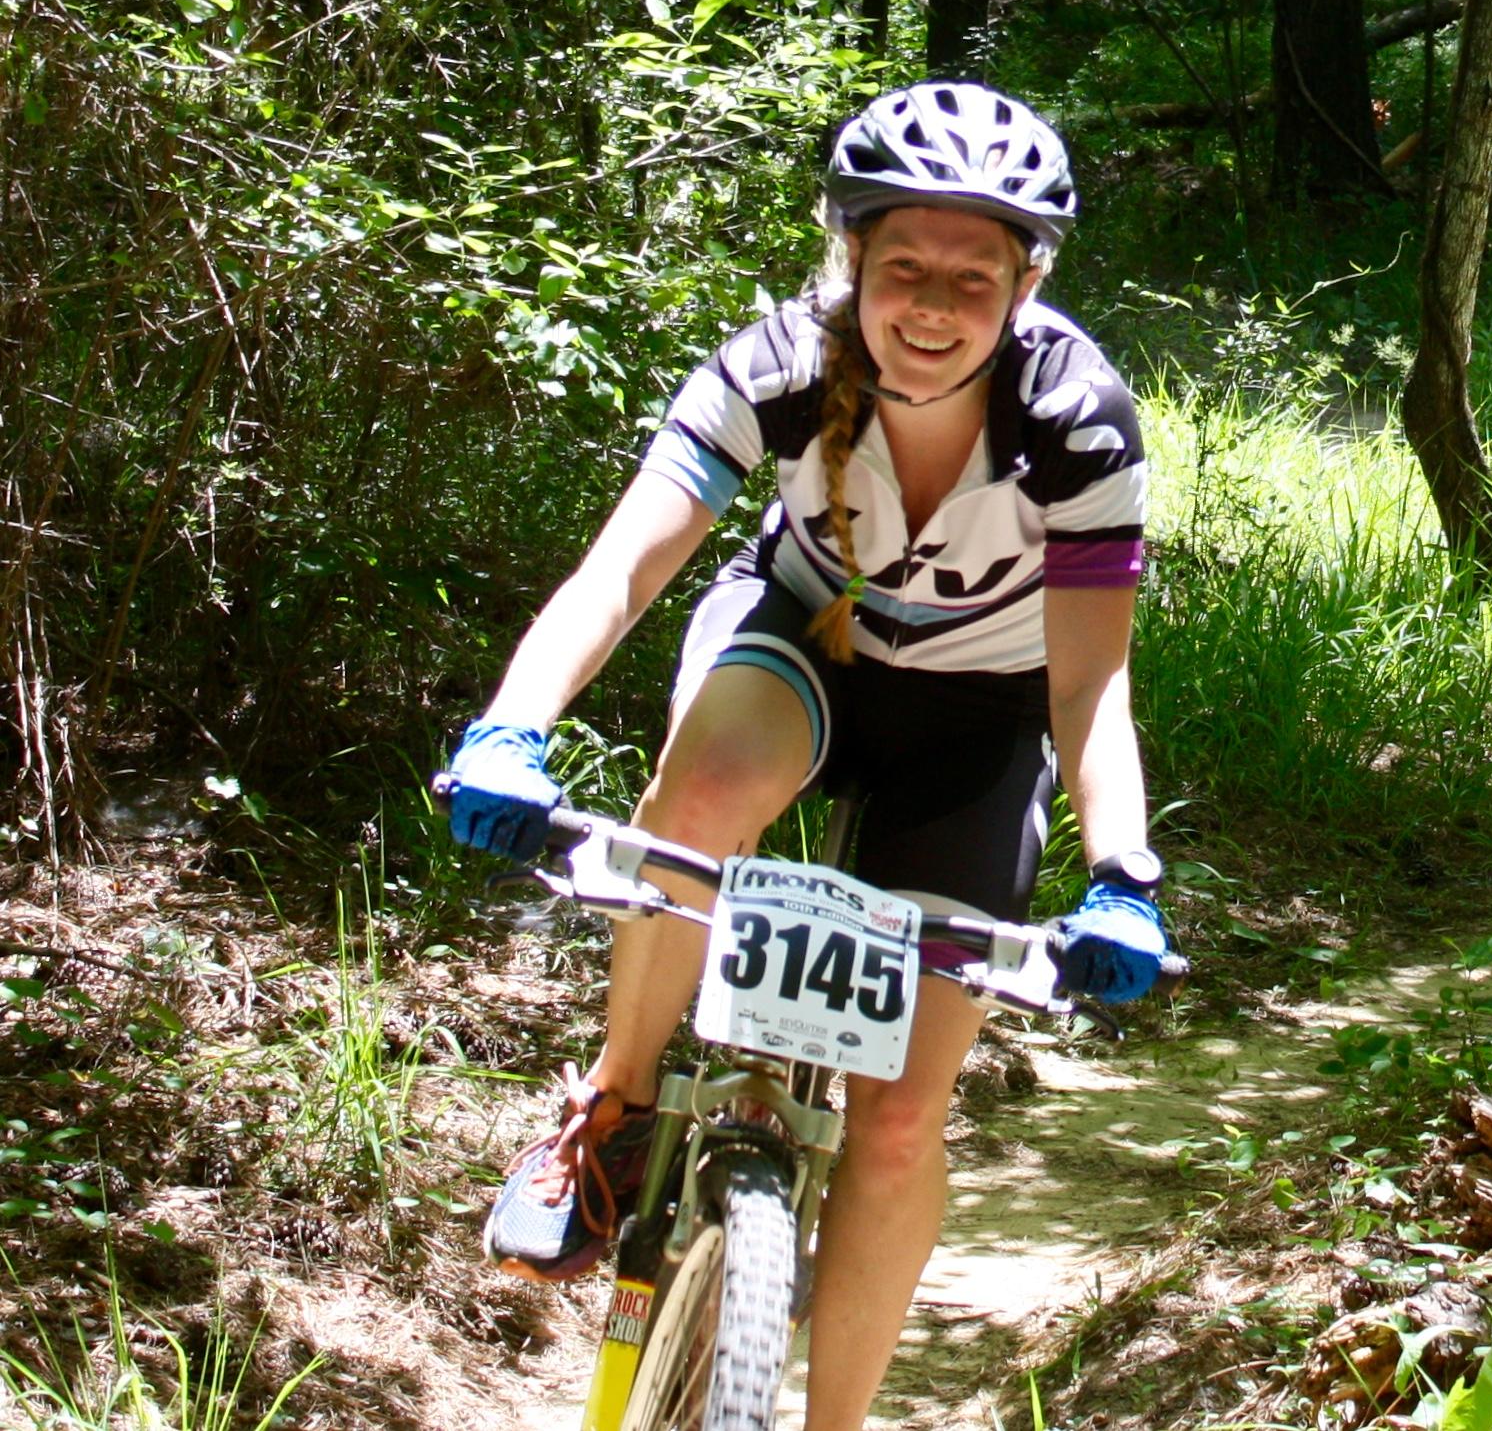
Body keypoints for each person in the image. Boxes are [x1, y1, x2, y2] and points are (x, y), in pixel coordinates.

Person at [440, 80, 1170, 1431]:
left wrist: (1120, 871)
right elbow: (622, 571)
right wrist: (510, 728)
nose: (933, 306)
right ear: (852, 258)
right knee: (701, 799)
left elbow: (1089, 683)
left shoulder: (1078, 422)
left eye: (974, 275)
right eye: (902, 268)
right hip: (804, 648)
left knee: (898, 1122)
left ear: (1026, 281)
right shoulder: (775, 366)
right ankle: (613, 1115)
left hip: (979, 720)